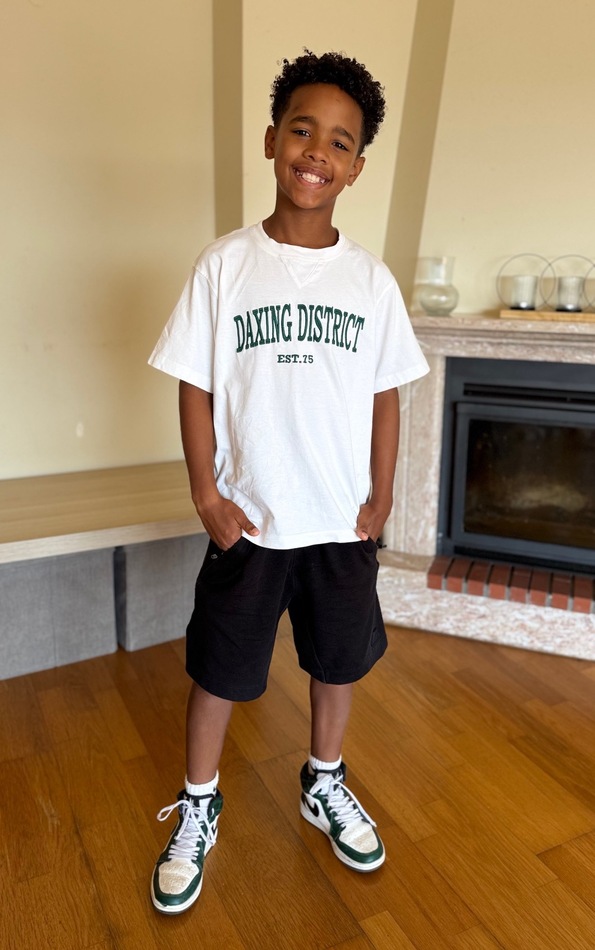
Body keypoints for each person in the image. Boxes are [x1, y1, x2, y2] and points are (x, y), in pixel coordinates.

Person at [147, 49, 429, 915]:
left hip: (339, 521)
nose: (317, 151)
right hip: (253, 519)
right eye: (302, 131)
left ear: (356, 167)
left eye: (339, 141)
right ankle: (199, 801)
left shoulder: (370, 280)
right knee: (220, 669)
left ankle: (323, 778)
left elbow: (385, 394)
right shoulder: (225, 265)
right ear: (272, 140)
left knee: (336, 661)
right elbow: (194, 384)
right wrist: (206, 494)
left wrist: (381, 495)